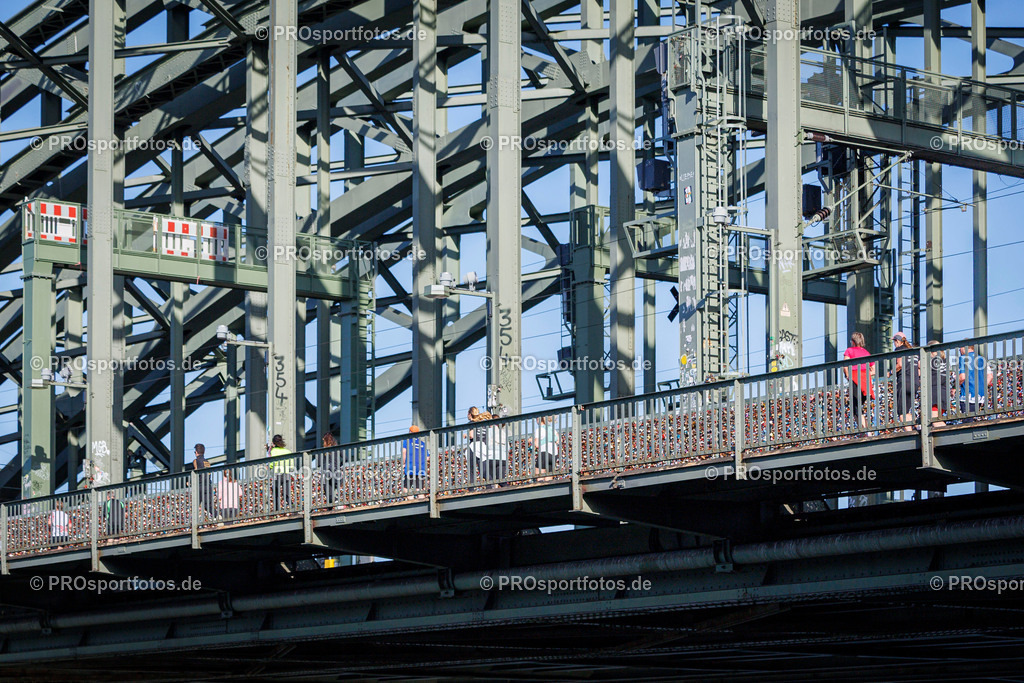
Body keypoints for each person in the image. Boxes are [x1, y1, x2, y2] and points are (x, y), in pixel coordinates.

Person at [843, 332, 875, 431]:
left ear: (853, 341)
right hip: (866, 383)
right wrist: (865, 375)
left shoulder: (849, 351)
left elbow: (845, 365)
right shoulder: (866, 352)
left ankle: (864, 431)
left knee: (855, 408)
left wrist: (848, 376)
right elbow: (873, 370)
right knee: (858, 407)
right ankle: (865, 430)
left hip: (855, 380)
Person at [892, 332, 920, 431]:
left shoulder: (899, 350)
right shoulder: (914, 352)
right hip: (915, 382)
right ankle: (917, 427)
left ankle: (909, 433)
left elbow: (899, 364)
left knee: (901, 412)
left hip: (904, 382)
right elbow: (920, 367)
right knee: (907, 409)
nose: (894, 344)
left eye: (894, 342)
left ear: (898, 341)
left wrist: (891, 372)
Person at [958, 343, 993, 419]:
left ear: (965, 348)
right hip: (980, 396)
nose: (959, 350)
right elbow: (990, 376)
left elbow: (962, 377)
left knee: (967, 421)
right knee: (973, 418)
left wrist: (955, 387)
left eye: (960, 348)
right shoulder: (982, 358)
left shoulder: (963, 358)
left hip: (967, 395)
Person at [268, 434, 295, 507]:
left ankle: (277, 509)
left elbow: (272, 463)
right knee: (286, 493)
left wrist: (270, 467)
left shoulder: (274, 451)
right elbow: (291, 464)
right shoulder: (288, 451)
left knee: (276, 492)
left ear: (273, 442)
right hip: (287, 473)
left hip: (278, 473)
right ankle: (292, 506)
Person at [401, 426, 429, 493]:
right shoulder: (423, 443)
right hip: (421, 468)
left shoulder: (407, 441)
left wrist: (403, 463)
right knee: (419, 489)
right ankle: (421, 501)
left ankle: (411, 499)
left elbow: (404, 452)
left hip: (410, 467)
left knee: (406, 488)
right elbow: (427, 458)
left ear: (410, 432)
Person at [928, 341, 949, 427]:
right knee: (936, 419)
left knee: (934, 420)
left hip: (934, 393)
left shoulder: (932, 361)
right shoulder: (945, 361)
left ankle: (948, 435)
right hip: (943, 393)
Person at [192, 444, 215, 517]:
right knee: (208, 506)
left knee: (195, 505)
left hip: (200, 485)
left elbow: (196, 472)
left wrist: (190, 482)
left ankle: (194, 522)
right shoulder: (207, 462)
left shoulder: (196, 461)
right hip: (208, 485)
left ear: (196, 452)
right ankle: (217, 516)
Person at [320, 433, 339, 504]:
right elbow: (345, 458)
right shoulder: (337, 449)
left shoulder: (324, 450)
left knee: (327, 489)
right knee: (333, 488)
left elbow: (319, 463)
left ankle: (333, 501)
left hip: (328, 472)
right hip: (337, 471)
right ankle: (334, 501)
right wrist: (339, 465)